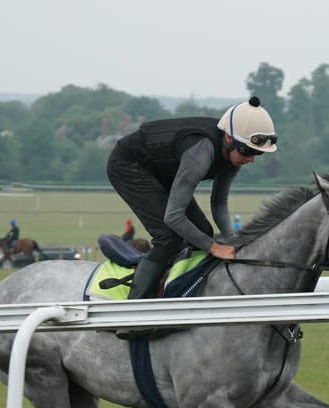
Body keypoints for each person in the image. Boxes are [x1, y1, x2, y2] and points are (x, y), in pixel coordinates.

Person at [106, 96, 277, 300]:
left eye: (257, 153)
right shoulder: (200, 152)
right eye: (247, 151)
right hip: (128, 165)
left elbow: (219, 202)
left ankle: (175, 285)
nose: (250, 159)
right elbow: (173, 217)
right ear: (228, 139)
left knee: (203, 231)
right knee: (167, 237)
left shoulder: (233, 155)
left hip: (161, 171)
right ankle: (134, 307)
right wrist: (215, 247)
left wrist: (232, 241)